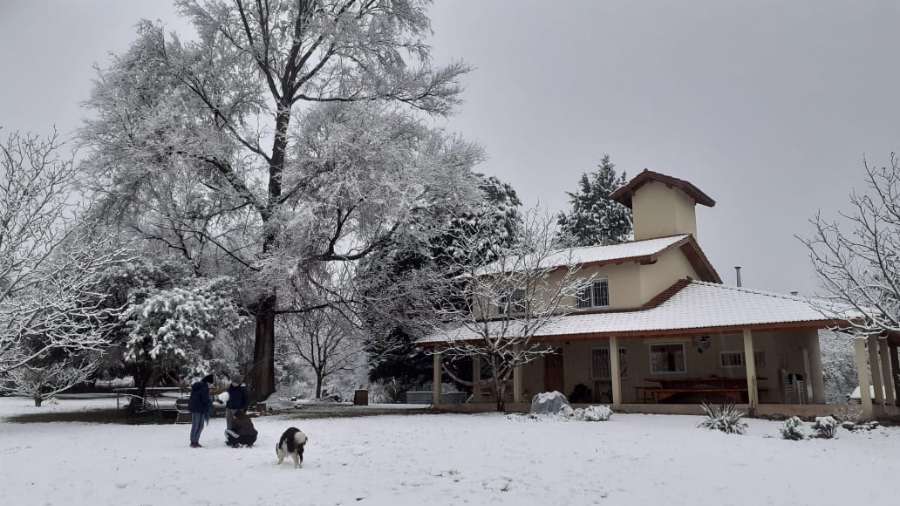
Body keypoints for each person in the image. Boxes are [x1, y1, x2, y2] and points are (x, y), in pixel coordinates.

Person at [189, 374, 214, 448]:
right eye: (210, 383)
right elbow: (205, 399)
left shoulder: (199, 386)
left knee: (198, 425)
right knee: (198, 425)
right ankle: (194, 442)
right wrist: (210, 401)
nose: (210, 385)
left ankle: (194, 441)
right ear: (207, 382)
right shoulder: (204, 387)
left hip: (198, 408)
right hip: (199, 409)